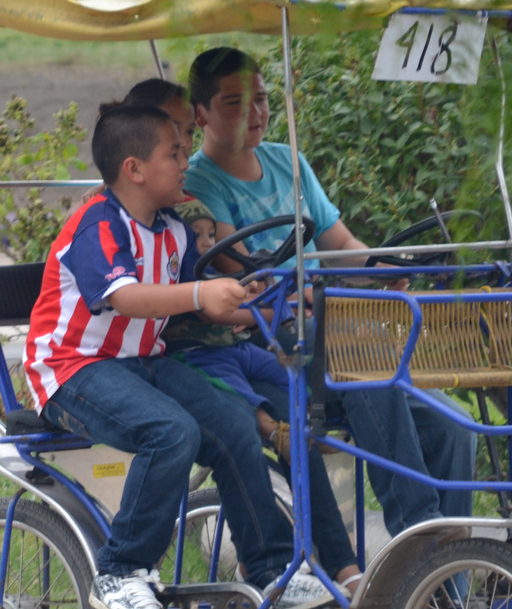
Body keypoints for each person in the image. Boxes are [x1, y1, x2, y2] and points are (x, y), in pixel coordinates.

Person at [26, 103, 329, 609]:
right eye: (175, 152)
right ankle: (119, 572)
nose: (186, 161)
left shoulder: (173, 230)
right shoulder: (96, 224)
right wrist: (199, 291)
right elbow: (126, 297)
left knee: (236, 425)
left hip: (142, 364)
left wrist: (272, 301)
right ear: (134, 169)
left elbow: (207, 304)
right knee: (170, 432)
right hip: (72, 370)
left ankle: (269, 576)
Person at [179, 46, 476, 539]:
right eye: (235, 103)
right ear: (200, 114)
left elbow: (341, 245)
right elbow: (244, 275)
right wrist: (320, 293)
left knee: (456, 428)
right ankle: (419, 538)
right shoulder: (199, 182)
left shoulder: (286, 160)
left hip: (329, 330)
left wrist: (383, 269)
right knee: (360, 353)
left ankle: (450, 583)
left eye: (262, 99)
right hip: (268, 341)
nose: (255, 114)